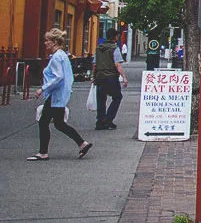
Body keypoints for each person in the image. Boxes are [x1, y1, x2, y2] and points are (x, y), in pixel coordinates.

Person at [27, 28, 92, 161]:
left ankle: (43, 152)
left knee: (43, 122)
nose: (45, 43)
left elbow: (58, 77)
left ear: (54, 42)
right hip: (60, 94)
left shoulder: (57, 57)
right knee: (59, 123)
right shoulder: (62, 55)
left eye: (47, 41)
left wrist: (42, 88)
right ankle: (82, 143)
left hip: (55, 95)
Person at [93, 28, 128, 130]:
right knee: (117, 97)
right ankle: (108, 119)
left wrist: (93, 76)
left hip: (100, 77)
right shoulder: (114, 48)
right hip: (111, 77)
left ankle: (100, 121)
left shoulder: (98, 48)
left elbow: (94, 64)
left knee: (101, 99)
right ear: (114, 37)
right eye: (117, 36)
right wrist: (124, 77)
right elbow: (117, 64)